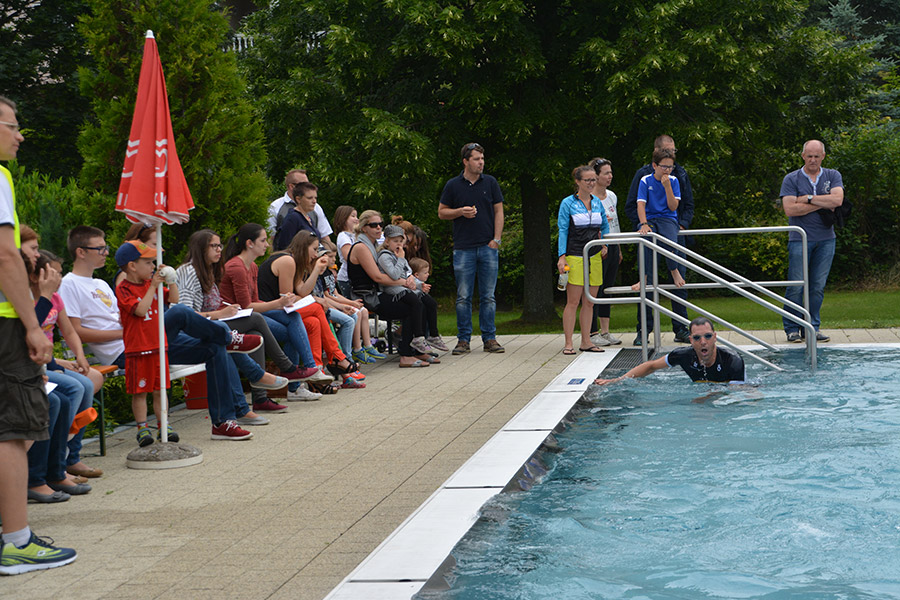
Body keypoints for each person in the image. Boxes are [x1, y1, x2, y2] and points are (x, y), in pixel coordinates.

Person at [59, 226, 264, 441]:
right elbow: (77, 332)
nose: (106, 253)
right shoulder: (69, 284)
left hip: (148, 340)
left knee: (214, 347)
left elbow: (143, 309)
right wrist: (125, 333)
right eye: (100, 248)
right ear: (81, 252)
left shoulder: (99, 283)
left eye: (105, 248)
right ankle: (228, 337)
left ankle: (223, 423)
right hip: (127, 349)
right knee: (181, 313)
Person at [0, 94, 77, 574]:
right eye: (12, 125)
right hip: (4, 324)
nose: (20, 135)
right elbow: (4, 256)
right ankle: (17, 542)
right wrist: (32, 323)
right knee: (12, 432)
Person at [176, 229, 320, 405]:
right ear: (249, 243)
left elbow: (250, 301)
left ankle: (261, 398)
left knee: (262, 332)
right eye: (214, 246)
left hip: (218, 321)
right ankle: (289, 369)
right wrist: (277, 303)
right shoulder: (193, 271)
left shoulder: (220, 269)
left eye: (220, 245)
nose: (219, 250)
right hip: (203, 327)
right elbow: (184, 314)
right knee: (257, 321)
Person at [219, 223, 334, 399]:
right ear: (250, 243)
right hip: (240, 316)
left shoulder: (253, 266)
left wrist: (281, 302)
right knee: (303, 321)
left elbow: (256, 300)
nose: (267, 244)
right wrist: (279, 303)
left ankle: (304, 375)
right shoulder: (238, 267)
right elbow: (247, 306)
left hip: (254, 312)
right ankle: (303, 372)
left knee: (298, 320)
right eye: (263, 240)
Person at [256, 230, 363, 386]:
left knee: (313, 322)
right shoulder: (287, 260)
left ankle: (315, 372)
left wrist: (316, 270)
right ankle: (336, 357)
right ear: (303, 247)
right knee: (317, 308)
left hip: (278, 310)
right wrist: (315, 299)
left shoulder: (295, 262)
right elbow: (288, 299)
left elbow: (302, 291)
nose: (315, 254)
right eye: (314, 249)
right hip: (270, 310)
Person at [625, 135, 694, 345]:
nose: (671, 155)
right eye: (667, 151)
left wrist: (681, 225)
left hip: (672, 227)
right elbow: (633, 205)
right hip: (650, 227)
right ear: (656, 154)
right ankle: (644, 331)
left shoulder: (678, 173)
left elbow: (686, 205)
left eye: (673, 151)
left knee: (679, 281)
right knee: (647, 278)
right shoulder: (643, 176)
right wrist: (643, 224)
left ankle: (681, 328)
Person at [115, 240, 185, 446]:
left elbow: (174, 300)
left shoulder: (151, 284)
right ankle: (142, 428)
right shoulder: (124, 289)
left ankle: (164, 425)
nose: (153, 266)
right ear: (132, 266)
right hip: (138, 348)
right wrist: (153, 286)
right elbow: (140, 310)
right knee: (140, 392)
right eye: (148, 262)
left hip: (158, 346)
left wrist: (171, 280)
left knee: (160, 389)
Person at [438, 142, 505, 355]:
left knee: (488, 296)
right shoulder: (453, 185)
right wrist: (460, 211)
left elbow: (499, 211)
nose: (481, 162)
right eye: (476, 159)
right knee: (463, 296)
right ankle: (463, 340)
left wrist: (496, 239)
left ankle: (490, 338)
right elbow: (441, 212)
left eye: (482, 159)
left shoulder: (490, 182)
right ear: (465, 161)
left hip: (488, 246)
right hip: (463, 248)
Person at [348, 211, 430, 367]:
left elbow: (394, 269)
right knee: (411, 308)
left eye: (380, 224)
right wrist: (405, 282)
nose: (379, 228)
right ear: (364, 228)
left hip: (379, 292)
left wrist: (409, 277)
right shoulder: (361, 247)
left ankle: (416, 350)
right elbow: (377, 277)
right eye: (374, 225)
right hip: (367, 296)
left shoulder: (373, 246)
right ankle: (406, 354)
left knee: (422, 303)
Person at [780, 140, 844, 343]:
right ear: (803, 156)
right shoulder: (791, 178)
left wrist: (806, 198)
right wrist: (823, 201)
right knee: (796, 285)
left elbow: (837, 200)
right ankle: (792, 328)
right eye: (809, 156)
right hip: (799, 239)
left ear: (823, 156)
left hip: (826, 239)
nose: (813, 160)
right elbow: (790, 209)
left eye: (817, 156)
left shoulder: (833, 175)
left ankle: (812, 327)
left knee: (817, 286)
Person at [594, 318, 745, 385]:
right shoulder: (683, 355)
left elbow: (735, 397)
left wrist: (708, 397)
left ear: (715, 337)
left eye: (708, 336)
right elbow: (651, 366)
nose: (703, 341)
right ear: (691, 340)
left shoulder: (733, 361)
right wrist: (618, 380)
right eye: (697, 338)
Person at [557, 166, 609, 355]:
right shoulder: (568, 203)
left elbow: (605, 225)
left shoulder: (597, 203)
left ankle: (586, 341)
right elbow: (563, 230)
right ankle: (568, 343)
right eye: (587, 180)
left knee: (590, 301)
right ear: (577, 181)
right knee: (573, 301)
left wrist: (605, 244)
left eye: (593, 179)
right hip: (575, 254)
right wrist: (562, 256)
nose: (591, 183)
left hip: (594, 255)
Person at [377, 224, 446, 355]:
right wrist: (401, 259)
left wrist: (418, 284)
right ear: (387, 241)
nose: (399, 244)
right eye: (395, 241)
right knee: (416, 303)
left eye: (400, 241)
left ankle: (433, 335)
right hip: (393, 289)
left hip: (404, 286)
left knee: (430, 303)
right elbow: (394, 274)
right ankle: (418, 337)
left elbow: (408, 272)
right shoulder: (384, 256)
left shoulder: (398, 255)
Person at [587, 158, 622, 347]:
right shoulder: (589, 199)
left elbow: (615, 223)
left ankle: (605, 331)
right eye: (606, 173)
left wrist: (619, 247)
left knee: (607, 289)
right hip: (598, 246)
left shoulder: (612, 196)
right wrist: (601, 245)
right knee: (596, 289)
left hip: (614, 244)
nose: (610, 176)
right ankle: (592, 332)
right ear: (596, 176)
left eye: (611, 172)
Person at [268, 168, 332, 243]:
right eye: (304, 184)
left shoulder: (316, 207)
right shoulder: (275, 207)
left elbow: (324, 236)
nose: (308, 187)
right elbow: (270, 239)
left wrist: (329, 250)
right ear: (292, 186)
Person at [274, 181, 321, 251]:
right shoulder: (293, 218)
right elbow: (284, 246)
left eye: (315, 198)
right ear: (298, 199)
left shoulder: (309, 218)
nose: (314, 201)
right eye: (309, 198)